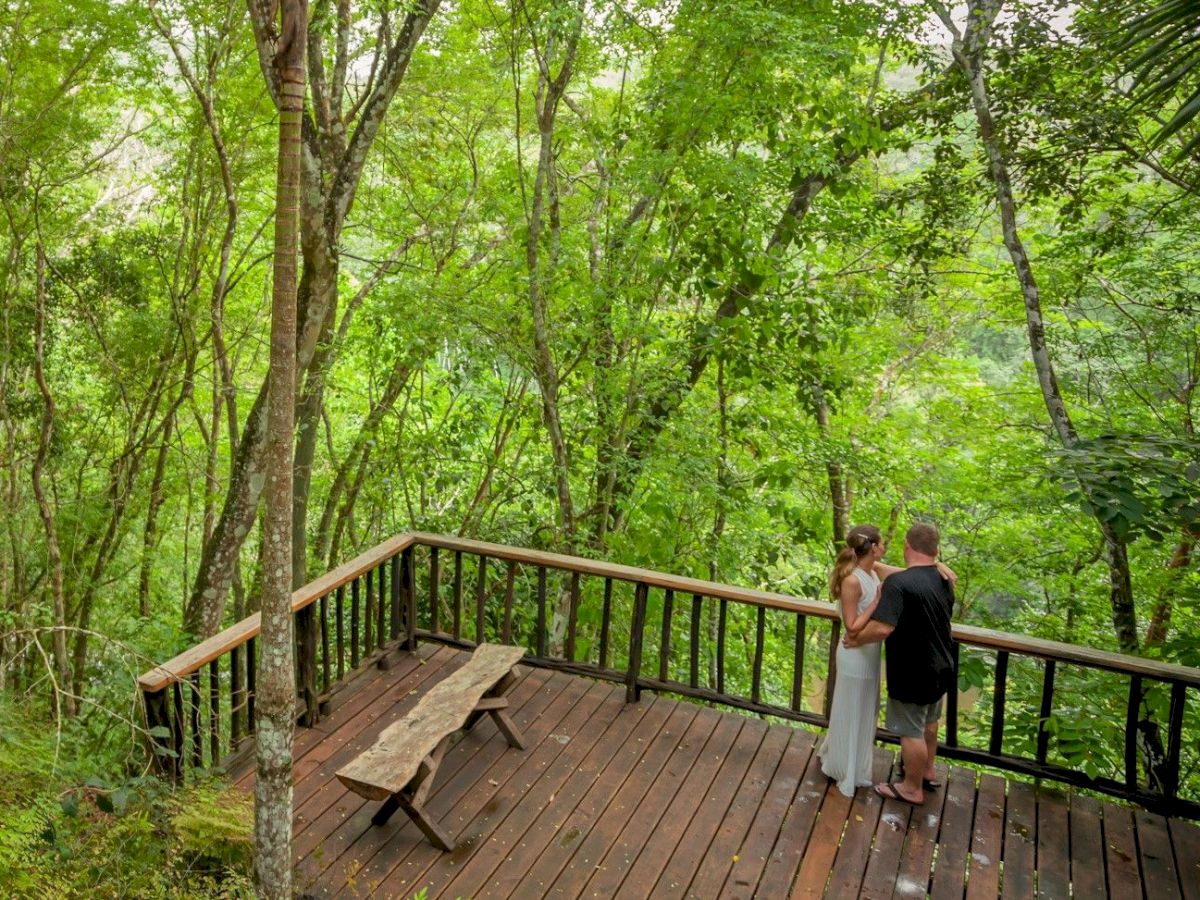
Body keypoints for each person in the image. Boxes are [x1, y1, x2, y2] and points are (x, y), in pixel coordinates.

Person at [818, 524, 955, 797]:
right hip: (923, 661)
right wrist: (934, 564)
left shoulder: (883, 575)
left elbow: (907, 582)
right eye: (882, 544)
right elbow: (854, 626)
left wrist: (937, 564)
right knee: (919, 723)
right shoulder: (857, 579)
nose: (886, 548)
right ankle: (853, 766)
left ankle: (902, 782)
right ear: (874, 547)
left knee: (897, 723)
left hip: (894, 662)